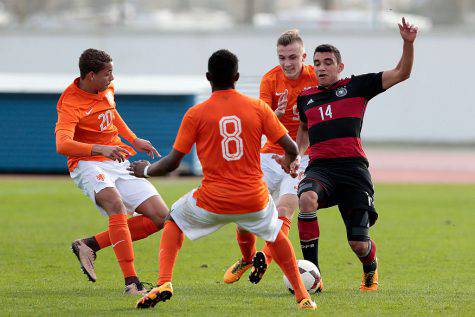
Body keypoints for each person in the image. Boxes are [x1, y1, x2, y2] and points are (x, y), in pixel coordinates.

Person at [128, 49, 317, 310]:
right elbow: (291, 147)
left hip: (212, 200)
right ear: (237, 76)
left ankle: (164, 282)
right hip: (253, 198)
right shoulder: (258, 108)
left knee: (173, 220)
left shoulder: (196, 113)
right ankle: (303, 296)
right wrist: (288, 160)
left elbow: (172, 162)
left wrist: (145, 170)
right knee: (275, 234)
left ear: (208, 77)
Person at [291, 17, 418, 291]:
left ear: (340, 66)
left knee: (358, 244)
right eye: (316, 63)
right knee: (306, 198)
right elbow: (303, 130)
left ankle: (370, 268)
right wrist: (297, 155)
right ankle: (315, 275)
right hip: (320, 168)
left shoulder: (358, 86)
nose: (321, 67)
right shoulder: (306, 98)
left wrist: (408, 44)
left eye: (327, 62)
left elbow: (401, 73)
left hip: (353, 171)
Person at [55, 48, 169, 295]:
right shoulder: (70, 103)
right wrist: (99, 149)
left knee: (161, 217)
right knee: (115, 205)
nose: (112, 79)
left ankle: (89, 245)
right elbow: (62, 144)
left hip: (115, 158)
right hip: (87, 163)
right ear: (91, 75)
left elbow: (112, 113)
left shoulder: (105, 89)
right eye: (108, 73)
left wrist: (134, 139)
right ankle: (132, 283)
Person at [224, 29, 321, 288]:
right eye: (282, 58)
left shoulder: (317, 76)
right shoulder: (270, 80)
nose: (287, 63)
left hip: (301, 156)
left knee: (284, 209)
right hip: (269, 156)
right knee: (244, 209)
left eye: (292, 57)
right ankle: (247, 258)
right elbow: (259, 123)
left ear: (304, 55)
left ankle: (265, 258)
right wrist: (273, 116)